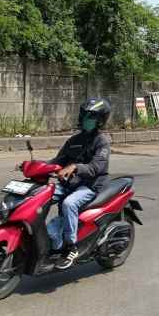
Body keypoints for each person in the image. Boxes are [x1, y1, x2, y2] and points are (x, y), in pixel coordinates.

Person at [46, 97, 112, 270]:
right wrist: (35, 166)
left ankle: (71, 247)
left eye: (91, 117)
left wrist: (75, 167)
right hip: (71, 184)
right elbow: (57, 161)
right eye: (85, 116)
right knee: (40, 194)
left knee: (69, 204)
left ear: (100, 120)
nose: (87, 120)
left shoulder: (102, 141)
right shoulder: (74, 140)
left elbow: (96, 167)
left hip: (91, 185)